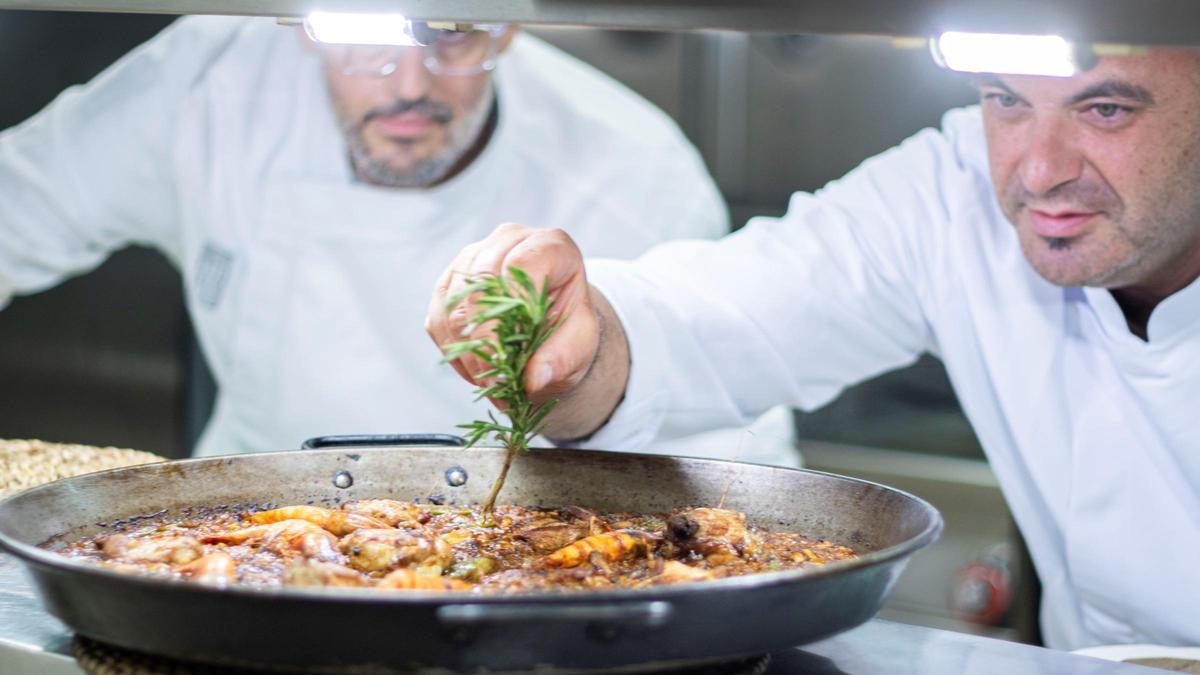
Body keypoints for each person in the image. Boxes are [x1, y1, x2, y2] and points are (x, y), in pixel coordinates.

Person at [429, 49, 1200, 649]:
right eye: (1006, 99)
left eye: (1105, 109)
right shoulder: (950, 190)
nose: (1039, 169)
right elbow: (719, 319)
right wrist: (580, 332)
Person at [0, 15, 741, 458]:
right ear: (301, 27)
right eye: (364, 38)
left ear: (511, 26)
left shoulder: (635, 167)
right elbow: (18, 203)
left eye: (454, 36)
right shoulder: (212, 85)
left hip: (522, 582)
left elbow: (731, 456)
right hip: (233, 556)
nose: (408, 84)